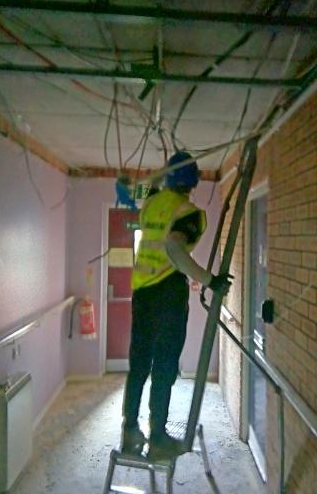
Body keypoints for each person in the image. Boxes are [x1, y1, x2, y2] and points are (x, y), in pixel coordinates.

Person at [121, 151, 230, 459]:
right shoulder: (190, 213)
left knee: (139, 365)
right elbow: (174, 248)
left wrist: (165, 170)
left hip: (141, 293)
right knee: (164, 366)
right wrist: (210, 280)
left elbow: (148, 185)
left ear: (169, 178)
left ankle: (130, 431)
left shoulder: (152, 202)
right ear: (193, 182)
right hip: (167, 294)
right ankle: (157, 438)